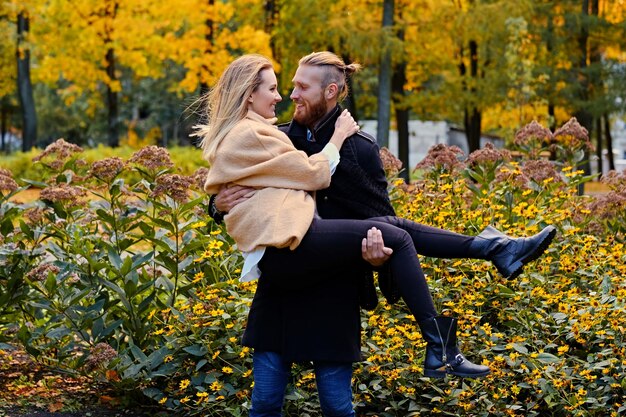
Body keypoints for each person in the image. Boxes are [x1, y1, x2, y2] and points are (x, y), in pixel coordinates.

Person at [198, 53, 557, 413]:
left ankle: (495, 248)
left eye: (301, 87)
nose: (290, 95)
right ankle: (485, 266)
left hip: (331, 289)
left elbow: (382, 217)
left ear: (331, 92)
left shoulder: (359, 148)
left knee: (338, 406)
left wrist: (377, 258)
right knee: (264, 401)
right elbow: (237, 183)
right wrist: (219, 203)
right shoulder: (277, 136)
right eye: (287, 86)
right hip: (284, 279)